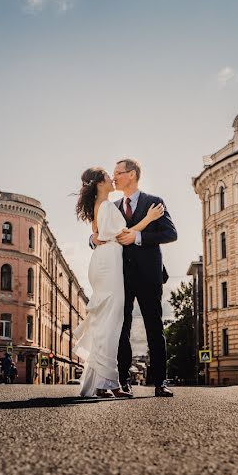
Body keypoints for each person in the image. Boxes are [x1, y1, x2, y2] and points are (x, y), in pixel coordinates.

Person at [74, 166, 166, 398]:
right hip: (111, 268)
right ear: (98, 183)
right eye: (108, 175)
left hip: (119, 267)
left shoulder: (110, 204)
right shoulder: (107, 205)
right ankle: (110, 383)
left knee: (111, 324)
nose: (112, 177)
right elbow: (119, 236)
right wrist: (148, 219)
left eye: (117, 172)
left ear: (133, 173)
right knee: (111, 324)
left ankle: (107, 383)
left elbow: (168, 233)